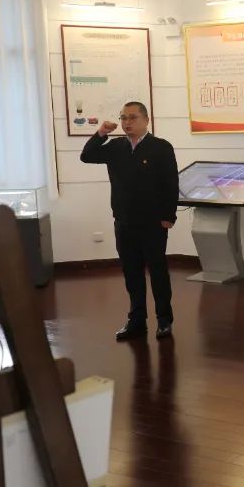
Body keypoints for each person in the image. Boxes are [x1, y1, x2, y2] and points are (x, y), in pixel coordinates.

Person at [80, 101, 179, 341]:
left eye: (132, 117)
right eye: (123, 118)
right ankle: (136, 320)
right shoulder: (116, 147)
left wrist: (168, 216)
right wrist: (101, 132)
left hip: (153, 223)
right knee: (132, 273)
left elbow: (171, 183)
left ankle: (164, 320)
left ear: (146, 120)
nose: (127, 123)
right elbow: (86, 156)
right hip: (124, 222)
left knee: (158, 272)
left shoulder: (161, 147)